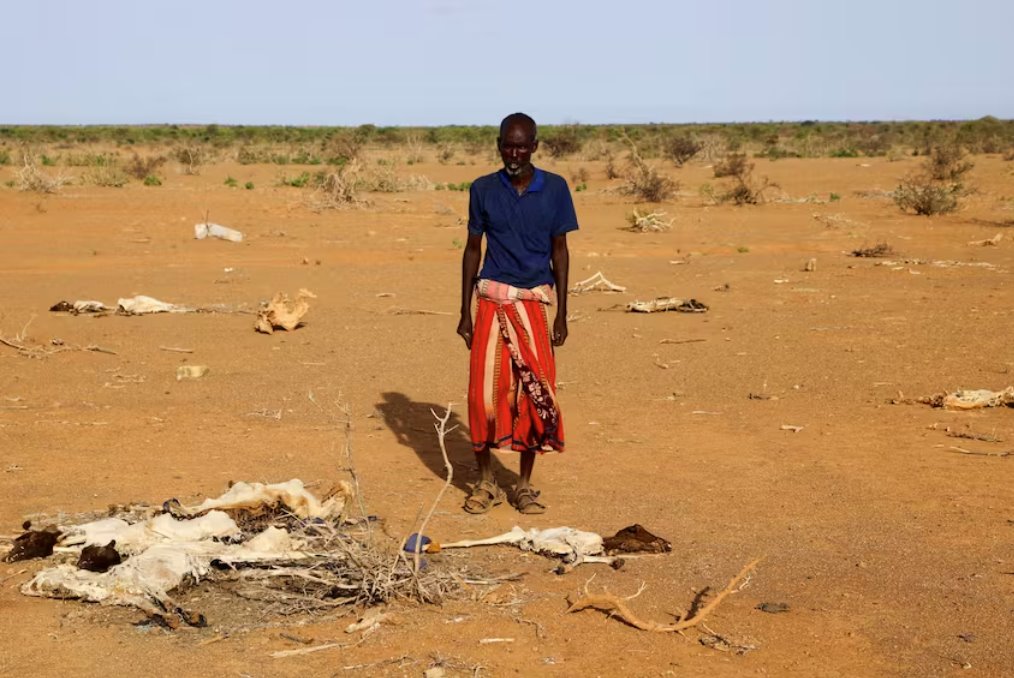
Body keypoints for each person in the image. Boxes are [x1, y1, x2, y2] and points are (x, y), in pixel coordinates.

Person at [456, 112, 579, 515]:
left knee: (536, 394)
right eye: (508, 145)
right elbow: (473, 249)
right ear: (499, 145)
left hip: (533, 304)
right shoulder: (483, 189)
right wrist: (464, 312)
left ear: (534, 147)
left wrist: (562, 312)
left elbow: (560, 251)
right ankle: (486, 481)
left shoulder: (556, 189)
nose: (514, 153)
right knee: (482, 397)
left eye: (522, 146)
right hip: (491, 300)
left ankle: (524, 486)